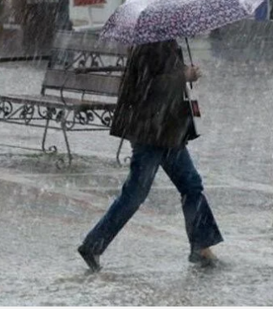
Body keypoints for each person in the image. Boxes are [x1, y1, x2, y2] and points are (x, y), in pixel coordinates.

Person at [77, 39, 223, 272]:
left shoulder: (163, 41)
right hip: (151, 133)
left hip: (167, 132)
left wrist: (184, 75)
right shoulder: (149, 44)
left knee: (191, 185)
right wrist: (183, 75)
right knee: (135, 193)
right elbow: (148, 87)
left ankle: (201, 247)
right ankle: (93, 244)